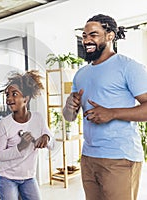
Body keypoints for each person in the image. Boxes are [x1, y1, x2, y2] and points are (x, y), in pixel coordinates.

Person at [63, 14, 147, 200]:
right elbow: (69, 117)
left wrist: (112, 113)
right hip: (88, 157)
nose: (87, 40)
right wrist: (69, 106)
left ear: (110, 35)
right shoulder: (81, 74)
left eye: (93, 34)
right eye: (84, 36)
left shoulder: (128, 67)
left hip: (120, 157)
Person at [0, 70, 54, 200]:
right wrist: (20, 146)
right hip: (7, 178)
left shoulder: (38, 119)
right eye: (7, 95)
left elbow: (52, 144)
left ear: (26, 99)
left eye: (14, 94)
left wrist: (46, 138)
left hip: (28, 177)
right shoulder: (4, 124)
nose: (9, 99)